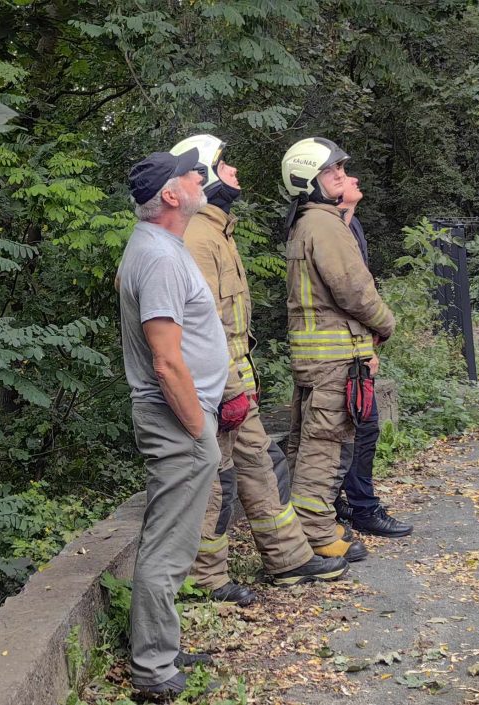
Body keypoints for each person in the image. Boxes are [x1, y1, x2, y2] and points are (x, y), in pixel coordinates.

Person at [170, 135, 349, 598]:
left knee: (259, 471)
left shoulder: (216, 230)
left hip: (233, 388)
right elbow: (200, 328)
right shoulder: (196, 238)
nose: (233, 171)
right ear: (203, 177)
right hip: (214, 391)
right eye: (223, 164)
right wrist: (229, 391)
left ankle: (288, 561)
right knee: (216, 484)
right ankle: (206, 581)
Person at [117, 148, 226, 698]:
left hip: (182, 416)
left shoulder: (163, 247)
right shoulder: (158, 257)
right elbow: (165, 360)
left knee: (176, 541)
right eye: (190, 173)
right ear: (170, 194)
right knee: (167, 546)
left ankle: (161, 647)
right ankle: (154, 673)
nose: (199, 177)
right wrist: (197, 427)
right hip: (176, 420)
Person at [280, 137, 396, 561]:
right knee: (326, 446)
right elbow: (355, 290)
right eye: (333, 172)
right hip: (333, 362)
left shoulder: (307, 223)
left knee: (305, 444)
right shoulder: (325, 225)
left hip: (315, 359)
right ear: (309, 180)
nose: (343, 177)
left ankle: (306, 526)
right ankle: (316, 533)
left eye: (342, 170)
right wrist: (386, 323)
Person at [333, 175, 414, 538]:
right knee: (359, 429)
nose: (354, 179)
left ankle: (350, 505)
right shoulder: (326, 232)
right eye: (341, 175)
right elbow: (348, 298)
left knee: (360, 429)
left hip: (356, 350)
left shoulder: (353, 227)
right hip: (337, 356)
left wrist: (369, 344)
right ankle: (360, 508)